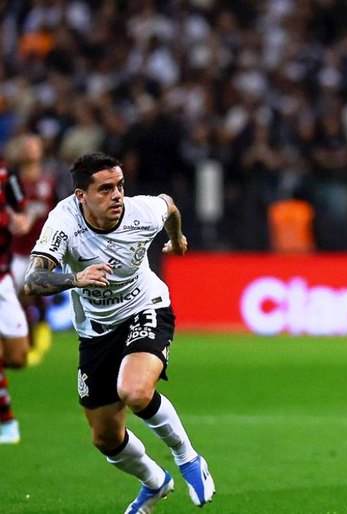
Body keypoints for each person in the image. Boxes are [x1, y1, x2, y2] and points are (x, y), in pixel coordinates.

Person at [23, 152, 215, 513]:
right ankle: (155, 483)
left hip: (146, 307)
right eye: (105, 189)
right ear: (81, 195)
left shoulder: (141, 212)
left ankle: (189, 459)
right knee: (105, 436)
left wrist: (176, 239)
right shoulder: (63, 222)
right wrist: (76, 278)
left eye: (120, 186)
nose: (117, 196)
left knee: (135, 391)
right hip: (95, 330)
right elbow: (33, 280)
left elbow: (169, 207)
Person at [9, 134, 59, 366]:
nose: (29, 150)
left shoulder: (49, 182)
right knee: (15, 299)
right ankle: (23, 340)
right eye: (25, 146)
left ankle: (36, 336)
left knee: (28, 295)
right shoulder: (11, 182)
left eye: (33, 146)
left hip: (41, 250)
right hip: (14, 251)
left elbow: (62, 211)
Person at [0, 161, 31, 444]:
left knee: (18, 357)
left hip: (3, 278)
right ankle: (6, 419)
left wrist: (20, 220)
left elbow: (23, 213)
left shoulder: (6, 175)